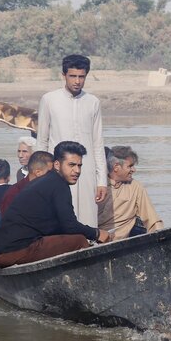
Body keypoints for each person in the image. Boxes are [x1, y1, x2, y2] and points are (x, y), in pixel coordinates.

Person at [0, 141, 111, 268]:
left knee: (72, 238)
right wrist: (97, 233)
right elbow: (70, 226)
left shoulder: (47, 181)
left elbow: (63, 225)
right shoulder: (58, 185)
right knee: (79, 240)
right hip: (11, 251)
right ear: (57, 165)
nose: (77, 171)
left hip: (0, 250)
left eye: (79, 165)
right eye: (71, 165)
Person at [37, 54, 107, 228]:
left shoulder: (93, 102)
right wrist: (40, 176)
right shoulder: (49, 100)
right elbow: (42, 142)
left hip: (86, 171)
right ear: (64, 75)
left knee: (88, 219)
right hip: (57, 172)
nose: (77, 81)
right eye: (73, 76)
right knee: (59, 218)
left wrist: (102, 181)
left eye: (81, 77)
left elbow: (98, 144)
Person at [97, 146, 164, 239]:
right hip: (93, 239)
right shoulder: (97, 186)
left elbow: (152, 220)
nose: (134, 170)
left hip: (121, 243)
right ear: (116, 167)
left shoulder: (135, 187)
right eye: (130, 166)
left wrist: (162, 237)